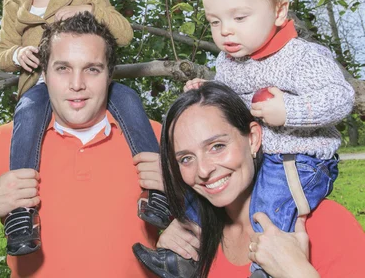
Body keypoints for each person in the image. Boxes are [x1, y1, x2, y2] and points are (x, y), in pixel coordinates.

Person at [134, 0, 355, 277]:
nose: (225, 31)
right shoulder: (230, 60)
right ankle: (181, 258)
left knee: (268, 214)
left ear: (279, 12)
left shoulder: (301, 57)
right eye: (215, 21)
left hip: (300, 160)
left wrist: (289, 110)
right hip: (267, 153)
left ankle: (264, 269)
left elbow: (341, 97)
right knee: (194, 198)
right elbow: (227, 101)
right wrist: (204, 90)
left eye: (239, 17)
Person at [0, 13, 164, 277]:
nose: (77, 84)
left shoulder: (154, 139)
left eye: (92, 69)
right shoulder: (6, 141)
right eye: (63, 68)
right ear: (44, 74)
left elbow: (210, 226)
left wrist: (179, 201)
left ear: (109, 75)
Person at [0, 0, 169, 256]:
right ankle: (20, 212)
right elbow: (0, 53)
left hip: (87, 81)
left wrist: (89, 9)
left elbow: (124, 34)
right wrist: (18, 54)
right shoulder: (15, 3)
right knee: (27, 113)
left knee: (129, 99)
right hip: (42, 85)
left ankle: (158, 189)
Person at [135, 82, 364, 278]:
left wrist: (297, 271)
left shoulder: (327, 224)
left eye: (217, 146)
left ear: (253, 139)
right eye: (186, 158)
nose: (203, 170)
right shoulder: (195, 240)